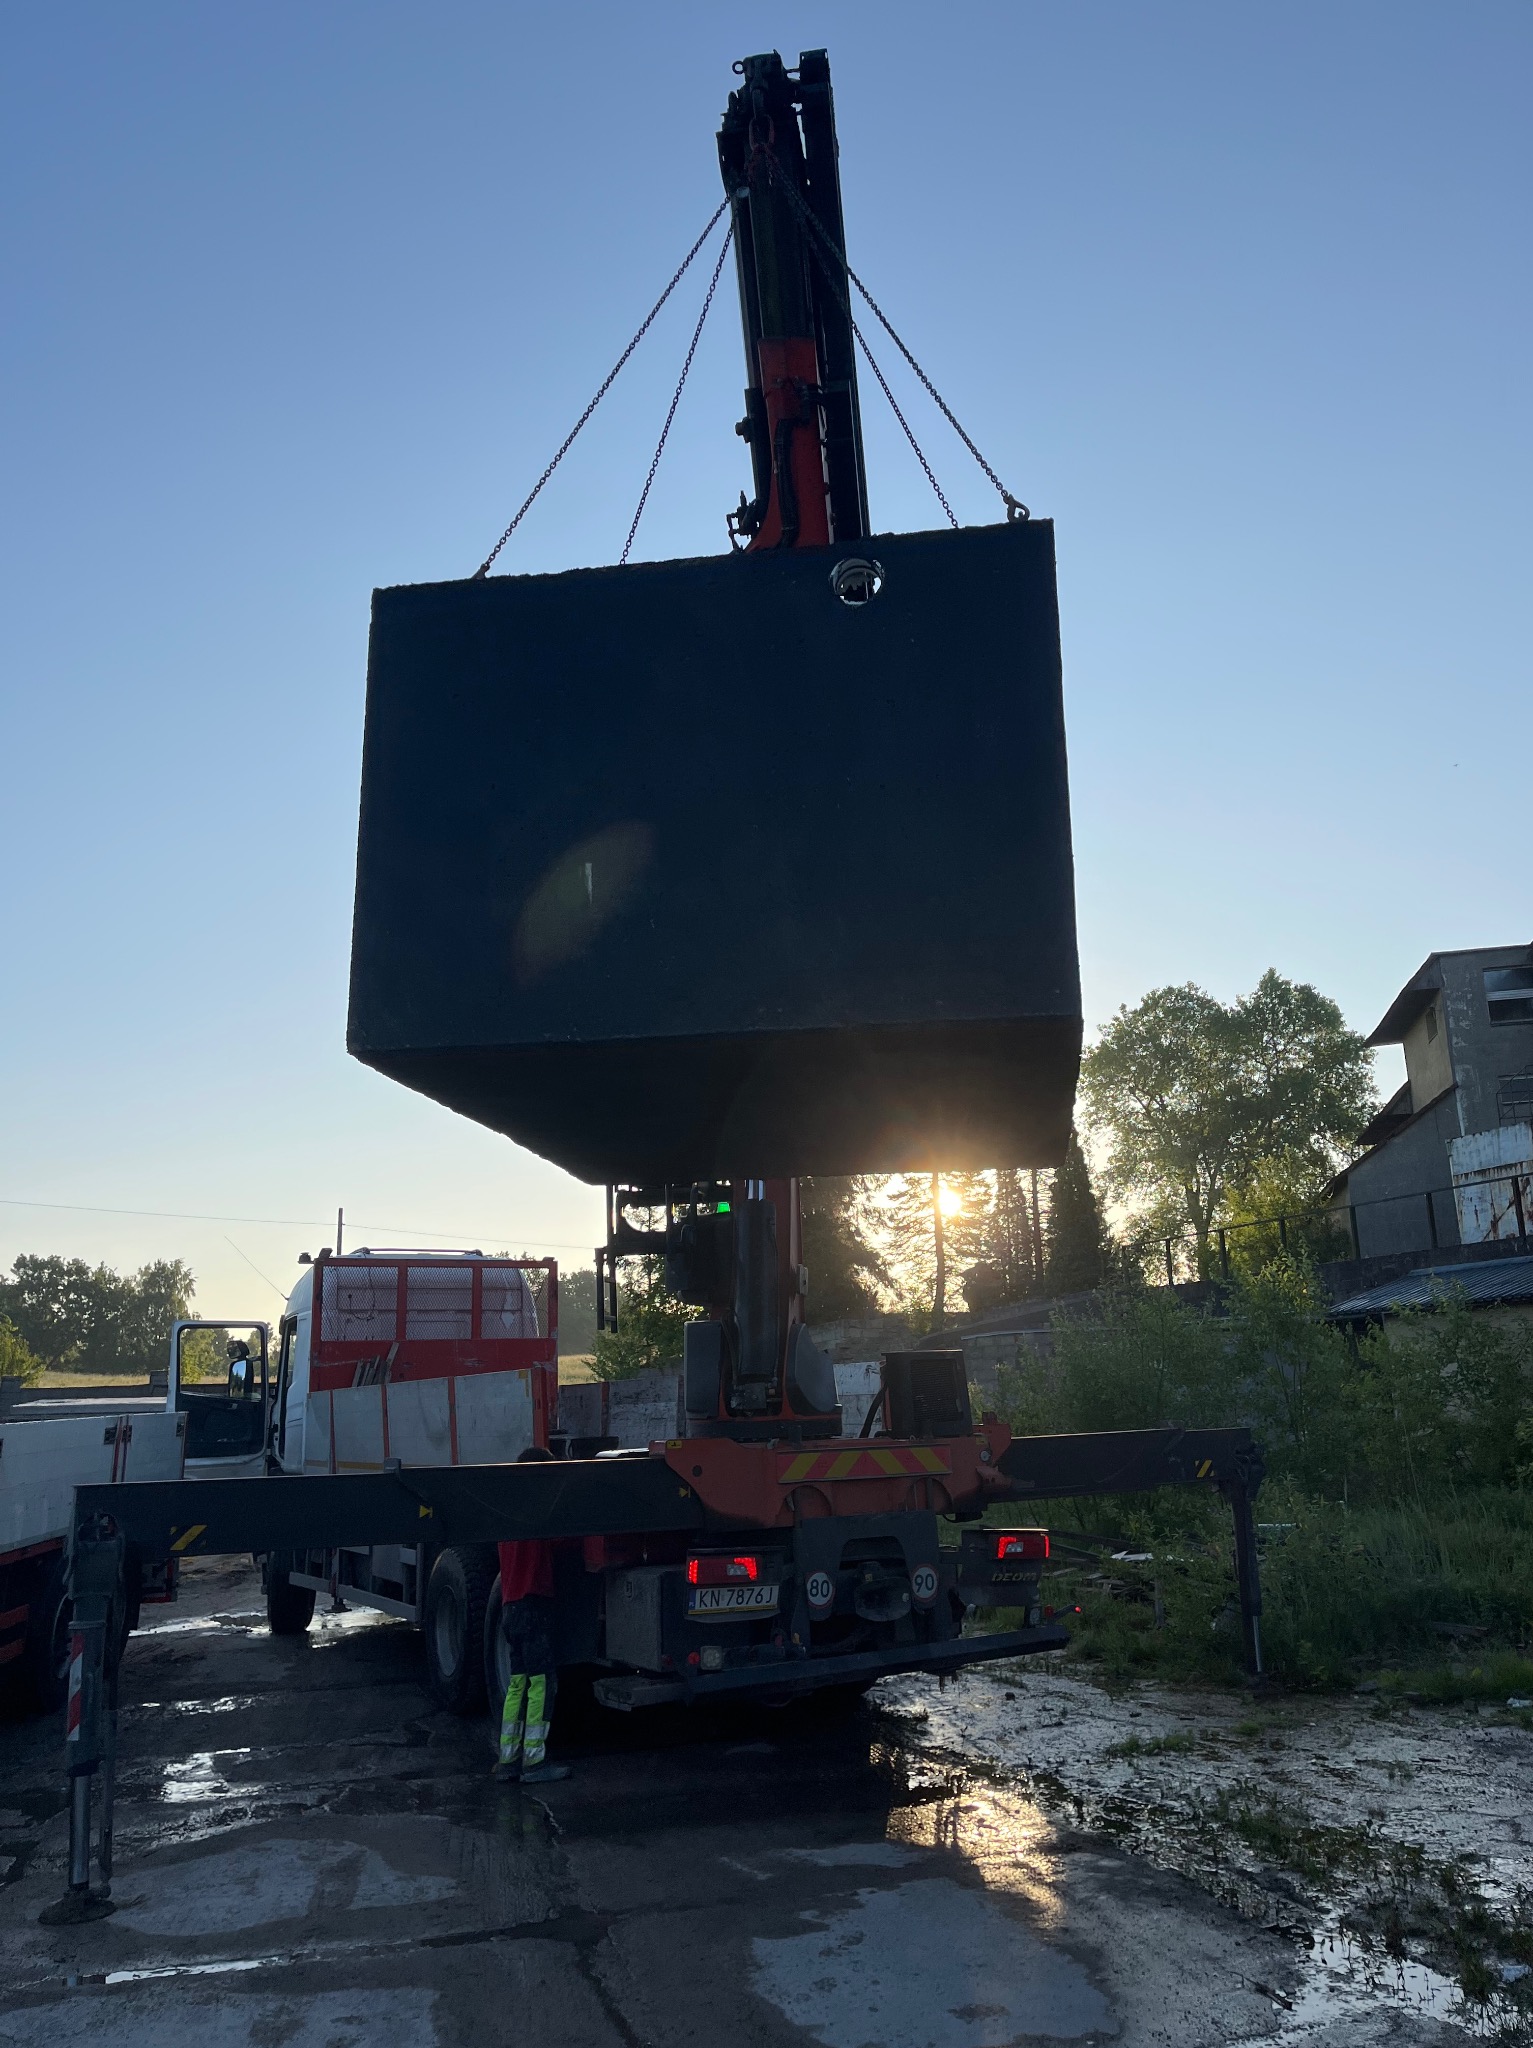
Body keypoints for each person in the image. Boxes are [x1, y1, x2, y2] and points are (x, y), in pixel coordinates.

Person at [494, 1446, 571, 1785]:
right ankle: (535, 1763)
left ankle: (508, 1760)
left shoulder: (505, 1511)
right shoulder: (537, 1511)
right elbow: (560, 1538)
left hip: (510, 1608)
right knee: (542, 1686)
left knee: (517, 1685)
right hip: (534, 1606)